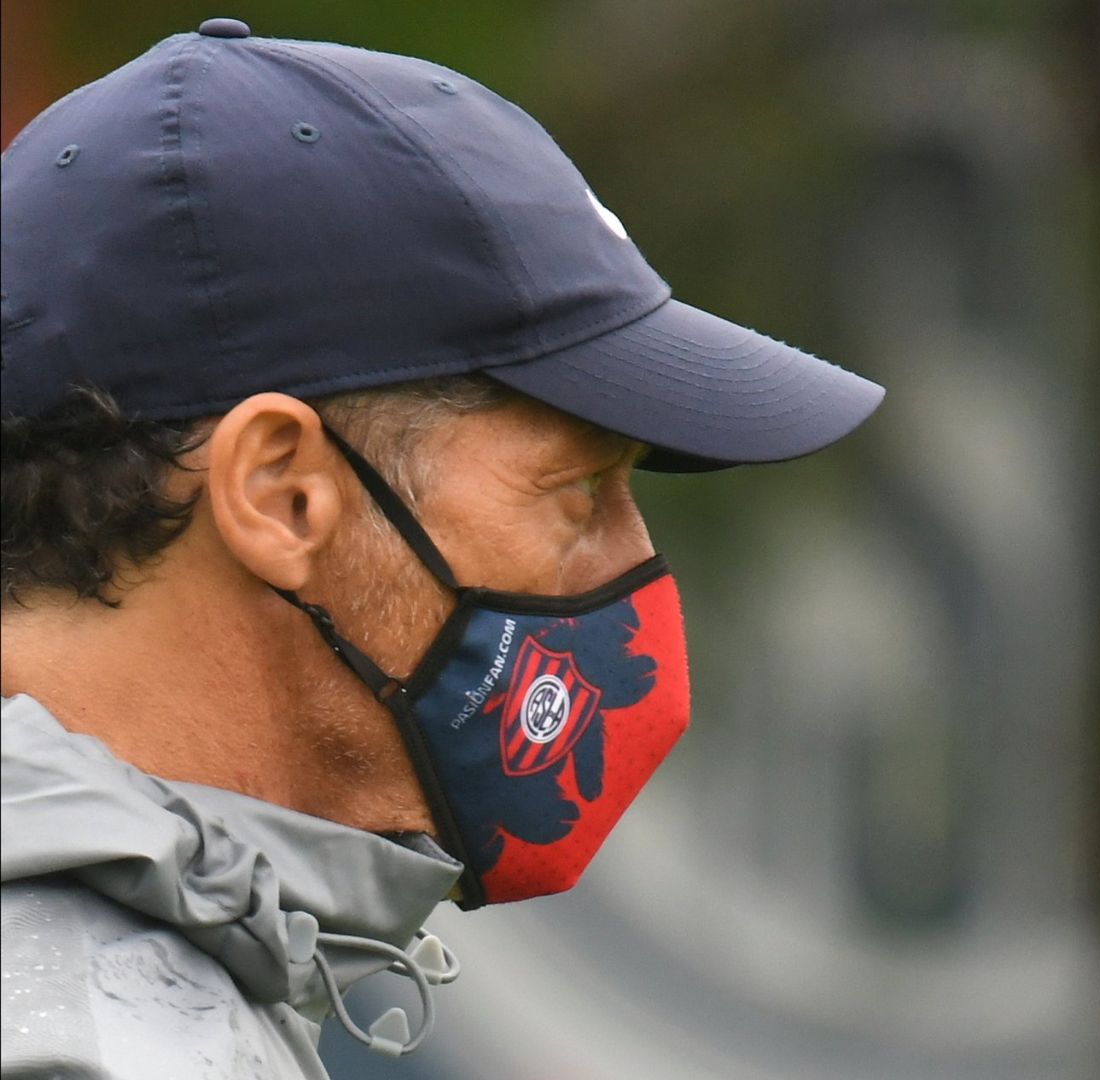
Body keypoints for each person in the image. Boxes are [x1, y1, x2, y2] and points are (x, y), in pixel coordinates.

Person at [0, 18, 883, 1079]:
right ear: (281, 495)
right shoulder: (102, 1045)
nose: (631, 571)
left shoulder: (157, 978)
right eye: (579, 492)